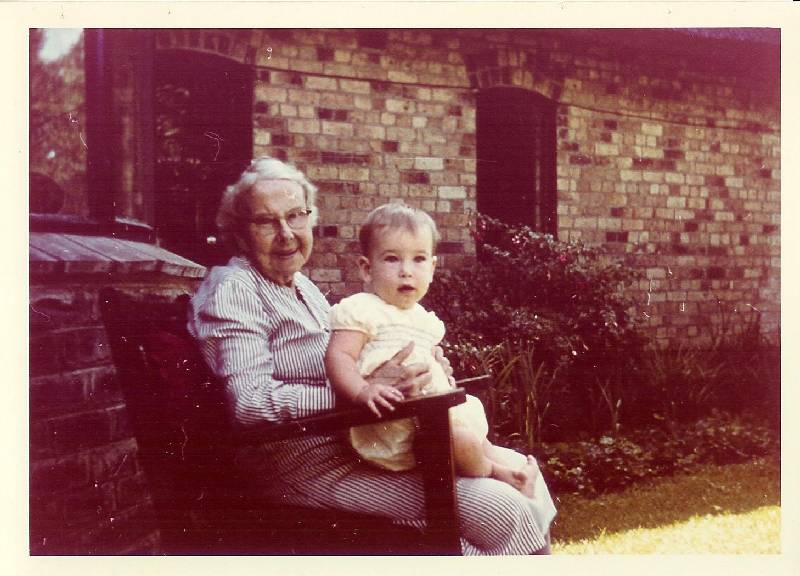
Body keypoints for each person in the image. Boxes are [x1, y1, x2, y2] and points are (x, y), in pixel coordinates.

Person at [188, 156, 555, 554]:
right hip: (305, 467)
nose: (286, 234)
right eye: (265, 221)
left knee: (521, 469)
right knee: (501, 509)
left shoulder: (304, 289)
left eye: (296, 215)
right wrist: (364, 391)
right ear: (240, 233)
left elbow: (358, 354)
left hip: (359, 446)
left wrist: (423, 372)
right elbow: (249, 404)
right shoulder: (235, 288)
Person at [325, 203, 542, 499]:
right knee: (463, 440)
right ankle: (501, 474)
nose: (406, 272)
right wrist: (362, 391)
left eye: (418, 259)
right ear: (366, 268)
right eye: (391, 259)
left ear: (432, 267)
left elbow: (433, 367)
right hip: (391, 426)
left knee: (475, 436)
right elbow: (340, 357)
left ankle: (513, 470)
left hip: (435, 416)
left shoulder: (423, 321)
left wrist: (443, 375)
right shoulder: (361, 309)